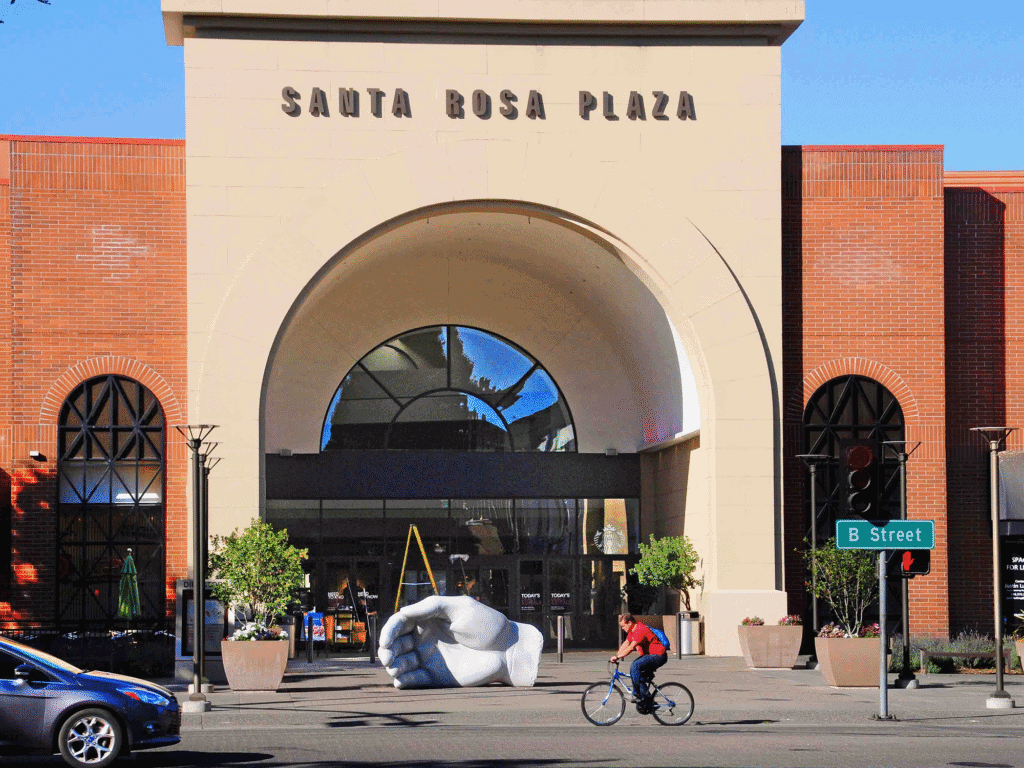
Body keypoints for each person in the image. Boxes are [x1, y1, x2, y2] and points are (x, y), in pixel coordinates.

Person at [610, 613, 667, 710]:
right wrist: (616, 655)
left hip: (658, 655)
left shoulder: (640, 630)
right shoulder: (632, 631)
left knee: (635, 666)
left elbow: (631, 647)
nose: (623, 629)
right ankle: (649, 702)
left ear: (630, 623)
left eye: (623, 626)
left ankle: (636, 693)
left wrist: (618, 656)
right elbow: (626, 643)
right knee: (639, 676)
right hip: (649, 655)